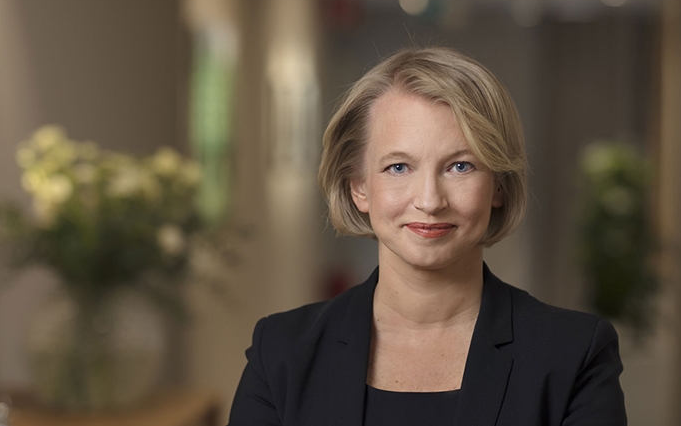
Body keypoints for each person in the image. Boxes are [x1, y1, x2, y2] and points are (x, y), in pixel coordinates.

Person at [227, 47, 627, 426]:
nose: (430, 201)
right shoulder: (280, 353)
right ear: (358, 187)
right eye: (399, 167)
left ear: (499, 186)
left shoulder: (574, 355)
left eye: (460, 166)